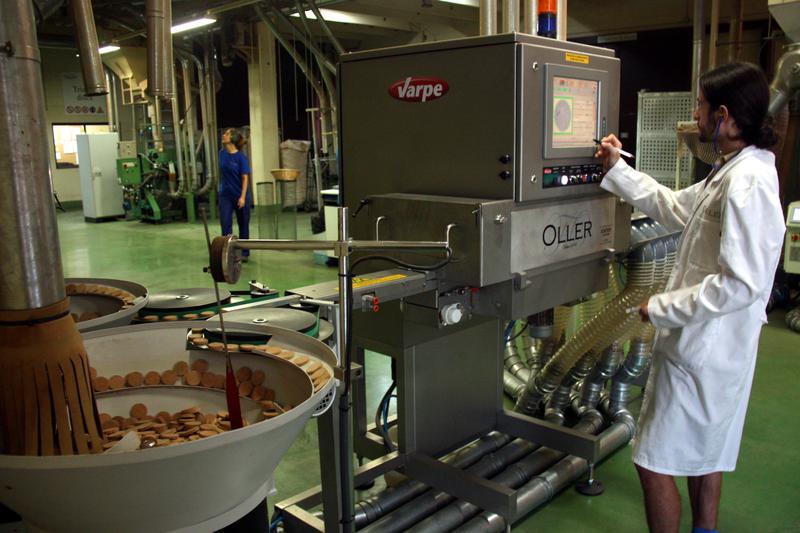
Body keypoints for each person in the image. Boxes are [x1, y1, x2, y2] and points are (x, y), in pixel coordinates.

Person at [595, 62, 785, 533]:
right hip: (711, 348)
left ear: (724, 116)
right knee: (707, 449)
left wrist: (659, 308)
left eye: (700, 106)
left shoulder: (748, 183)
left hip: (705, 347)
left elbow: (742, 283)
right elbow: (676, 206)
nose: (695, 115)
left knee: (652, 460)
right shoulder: (732, 171)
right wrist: (618, 170)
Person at [219, 128, 252, 261]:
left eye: (226, 134)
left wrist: (243, 197)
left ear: (232, 139)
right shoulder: (221, 153)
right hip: (225, 195)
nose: (223, 135)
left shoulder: (241, 158)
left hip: (240, 195)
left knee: (243, 224)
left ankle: (244, 253)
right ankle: (228, 251)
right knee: (225, 223)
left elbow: (245, 178)